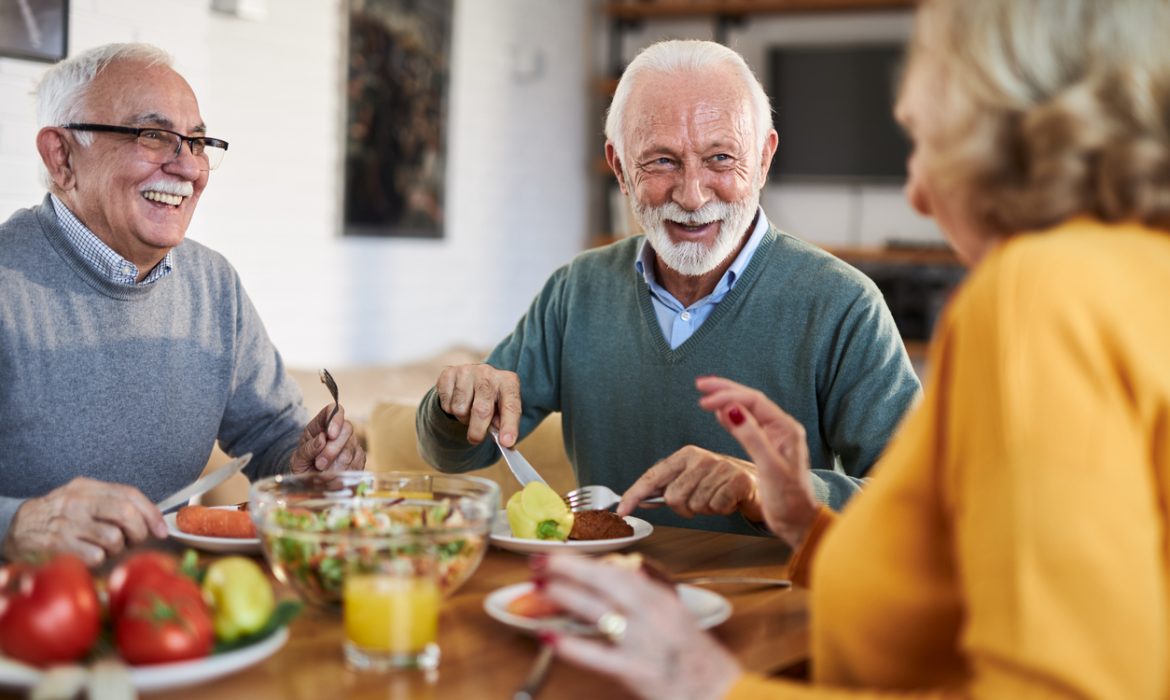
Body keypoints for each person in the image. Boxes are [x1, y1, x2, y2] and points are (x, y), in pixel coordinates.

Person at [535, 0, 1170, 697]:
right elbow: (966, 587)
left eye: (928, 140)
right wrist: (804, 520)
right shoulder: (1138, 277)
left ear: (1015, 133)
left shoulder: (1038, 295)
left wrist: (701, 681)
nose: (918, 193)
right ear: (620, 167)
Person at [416, 40, 920, 535]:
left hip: (767, 606)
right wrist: (456, 402)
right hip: (602, 603)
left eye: (721, 158)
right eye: (661, 161)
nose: (693, 195)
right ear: (619, 168)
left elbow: (918, 500)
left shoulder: (843, 304)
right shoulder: (577, 292)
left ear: (763, 160)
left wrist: (770, 489)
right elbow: (459, 451)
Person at [0, 43, 365, 566]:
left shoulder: (213, 283)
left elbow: (274, 437)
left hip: (170, 604)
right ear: (61, 156)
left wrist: (308, 465)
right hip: (28, 617)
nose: (190, 168)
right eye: (153, 135)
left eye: (196, 142)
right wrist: (18, 527)